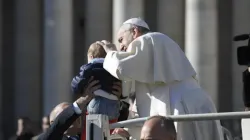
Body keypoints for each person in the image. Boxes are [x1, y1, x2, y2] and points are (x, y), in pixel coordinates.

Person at [98, 18, 224, 140]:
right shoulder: (150, 54)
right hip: (194, 104)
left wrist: (110, 53)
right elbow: (143, 104)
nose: (121, 47)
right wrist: (129, 130)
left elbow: (121, 68)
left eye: (121, 40)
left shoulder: (149, 39)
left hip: (182, 106)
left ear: (135, 32)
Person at [37, 77, 102, 140]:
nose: (75, 116)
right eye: (66, 113)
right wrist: (83, 100)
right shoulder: (46, 138)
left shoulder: (91, 136)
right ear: (52, 123)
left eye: (76, 114)